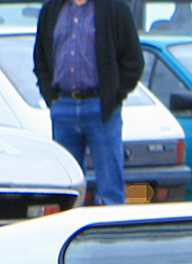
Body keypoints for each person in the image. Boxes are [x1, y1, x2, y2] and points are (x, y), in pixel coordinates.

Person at [34, 0, 144, 206]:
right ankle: (71, 232)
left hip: (100, 108)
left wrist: (113, 97)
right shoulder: (52, 9)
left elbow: (134, 61)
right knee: (67, 186)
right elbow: (40, 58)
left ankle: (111, 235)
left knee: (110, 189)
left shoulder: (114, 8)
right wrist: (51, 98)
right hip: (63, 107)